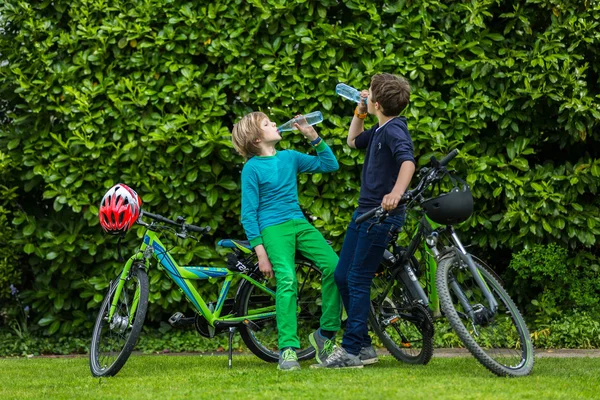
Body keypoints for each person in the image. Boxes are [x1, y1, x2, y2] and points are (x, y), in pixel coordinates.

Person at [316, 73, 416, 369]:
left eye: (369, 93)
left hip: (382, 216)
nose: (365, 95)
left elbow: (407, 162)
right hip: (364, 214)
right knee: (342, 275)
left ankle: (351, 349)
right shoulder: (379, 128)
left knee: (358, 278)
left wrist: (396, 194)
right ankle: (364, 346)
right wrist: (360, 109)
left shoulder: (395, 129)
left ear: (379, 102)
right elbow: (352, 140)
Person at [231, 112, 342, 371]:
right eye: (268, 124)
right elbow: (248, 214)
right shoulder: (252, 168)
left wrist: (311, 135)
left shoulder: (290, 157)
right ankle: (288, 350)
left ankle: (325, 337)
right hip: (272, 229)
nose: (274, 124)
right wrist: (261, 252)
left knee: (335, 267)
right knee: (288, 280)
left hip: (299, 223)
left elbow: (330, 165)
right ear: (258, 139)